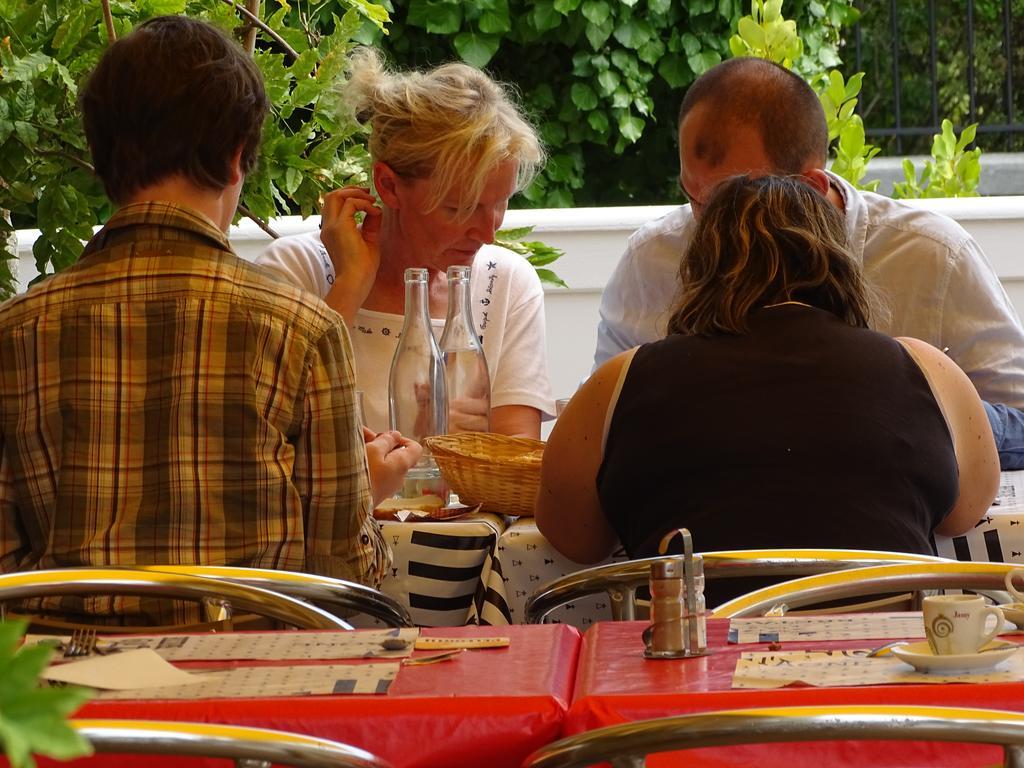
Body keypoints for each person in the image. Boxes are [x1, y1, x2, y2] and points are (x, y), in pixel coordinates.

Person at [0, 16, 420, 624]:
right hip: (256, 697)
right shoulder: (301, 328)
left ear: (101, 157)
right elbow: (341, 576)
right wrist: (368, 497)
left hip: (71, 703)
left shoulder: (15, 332)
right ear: (234, 159)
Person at [537, 174, 999, 606]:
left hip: (690, 670)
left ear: (701, 267)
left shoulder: (622, 379)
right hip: (882, 670)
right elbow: (963, 515)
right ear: (838, 262)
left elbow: (574, 540)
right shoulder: (925, 370)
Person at [594, 56, 1024, 469]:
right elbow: (603, 427)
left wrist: (918, 409)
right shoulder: (652, 258)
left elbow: (1018, 417)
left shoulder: (933, 257)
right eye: (693, 197)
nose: (705, 227)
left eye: (734, 202)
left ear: (812, 187)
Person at [257, 48, 555, 439]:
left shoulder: (507, 284)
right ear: (389, 186)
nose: (488, 234)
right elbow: (264, 435)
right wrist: (350, 284)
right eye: (460, 208)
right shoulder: (295, 272)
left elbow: (514, 465)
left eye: (500, 204)